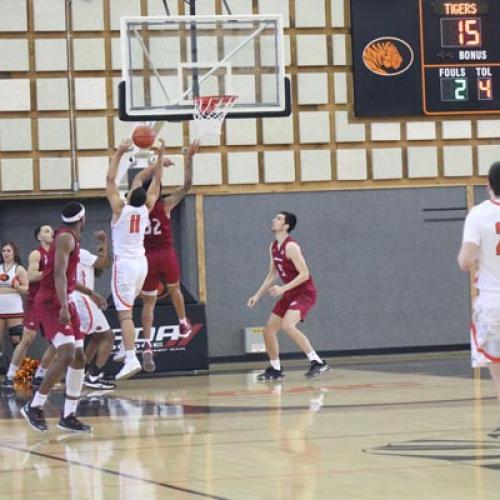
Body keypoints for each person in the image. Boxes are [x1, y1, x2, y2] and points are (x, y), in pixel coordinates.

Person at [21, 202, 106, 432]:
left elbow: (66, 277)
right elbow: (58, 274)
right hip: (51, 302)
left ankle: (68, 415)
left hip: (65, 298)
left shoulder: (69, 239)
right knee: (67, 352)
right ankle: (35, 405)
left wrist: (90, 293)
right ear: (83, 219)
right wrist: (63, 306)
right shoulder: (66, 239)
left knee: (79, 356)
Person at [129, 140, 199, 372]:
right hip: (166, 254)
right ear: (157, 190)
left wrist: (155, 165)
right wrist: (187, 159)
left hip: (146, 257)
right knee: (175, 289)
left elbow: (138, 179)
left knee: (148, 303)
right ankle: (181, 322)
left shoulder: (134, 209)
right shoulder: (165, 204)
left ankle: (147, 344)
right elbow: (187, 186)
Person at [247, 212, 330, 380]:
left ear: (286, 226)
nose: (273, 220)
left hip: (304, 293)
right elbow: (272, 275)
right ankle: (276, 369)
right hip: (289, 293)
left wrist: (283, 288)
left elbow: (305, 274)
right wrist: (257, 295)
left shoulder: (291, 247)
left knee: (288, 326)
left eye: (278, 219)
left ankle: (318, 362)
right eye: (275, 218)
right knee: (268, 330)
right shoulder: (273, 246)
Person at [106, 138, 163, 380]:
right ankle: (124, 348)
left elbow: (110, 181)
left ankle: (131, 357)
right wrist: (160, 156)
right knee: (130, 307)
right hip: (142, 264)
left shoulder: (120, 208)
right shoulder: (146, 208)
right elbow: (157, 182)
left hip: (126, 266)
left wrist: (119, 152)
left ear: (128, 195)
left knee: (125, 314)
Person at [458, 161, 500, 402]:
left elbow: (465, 261)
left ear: (488, 186)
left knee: (498, 375)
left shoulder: (479, 215)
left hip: (492, 304)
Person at [2, 226, 53, 389]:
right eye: (46, 231)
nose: (51, 233)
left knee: (57, 342)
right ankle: (11, 375)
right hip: (34, 301)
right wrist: (51, 272)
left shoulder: (56, 254)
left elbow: (26, 285)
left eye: (52, 231)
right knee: (25, 339)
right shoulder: (36, 254)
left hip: (47, 303)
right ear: (38, 236)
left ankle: (37, 375)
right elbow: (32, 276)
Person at [71, 230, 115, 390]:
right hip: (82, 298)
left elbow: (99, 270)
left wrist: (102, 251)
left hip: (80, 298)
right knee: (108, 337)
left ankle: (82, 373)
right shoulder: (80, 253)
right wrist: (105, 241)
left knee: (97, 337)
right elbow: (105, 264)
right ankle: (94, 376)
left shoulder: (76, 256)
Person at [0, 241, 29, 377]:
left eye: (8, 251)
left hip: (14, 307)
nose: (6, 253)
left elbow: (27, 289)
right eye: (4, 251)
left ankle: (20, 370)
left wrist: (17, 286)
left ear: (14, 253)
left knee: (16, 339)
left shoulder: (19, 269)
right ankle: (2, 368)